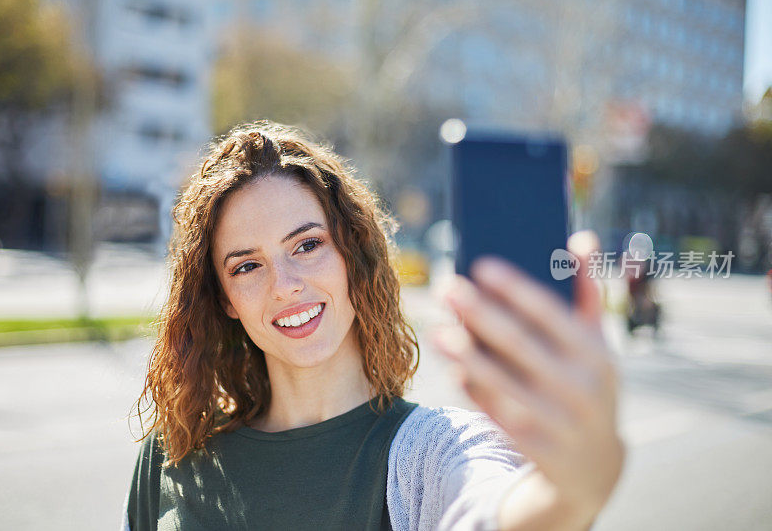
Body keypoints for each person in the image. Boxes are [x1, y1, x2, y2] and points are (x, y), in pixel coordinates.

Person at [122, 121, 624, 531]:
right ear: (225, 299)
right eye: (246, 266)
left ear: (351, 254)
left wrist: (572, 490)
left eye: (307, 245)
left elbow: (496, 511)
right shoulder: (172, 453)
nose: (285, 285)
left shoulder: (431, 453)